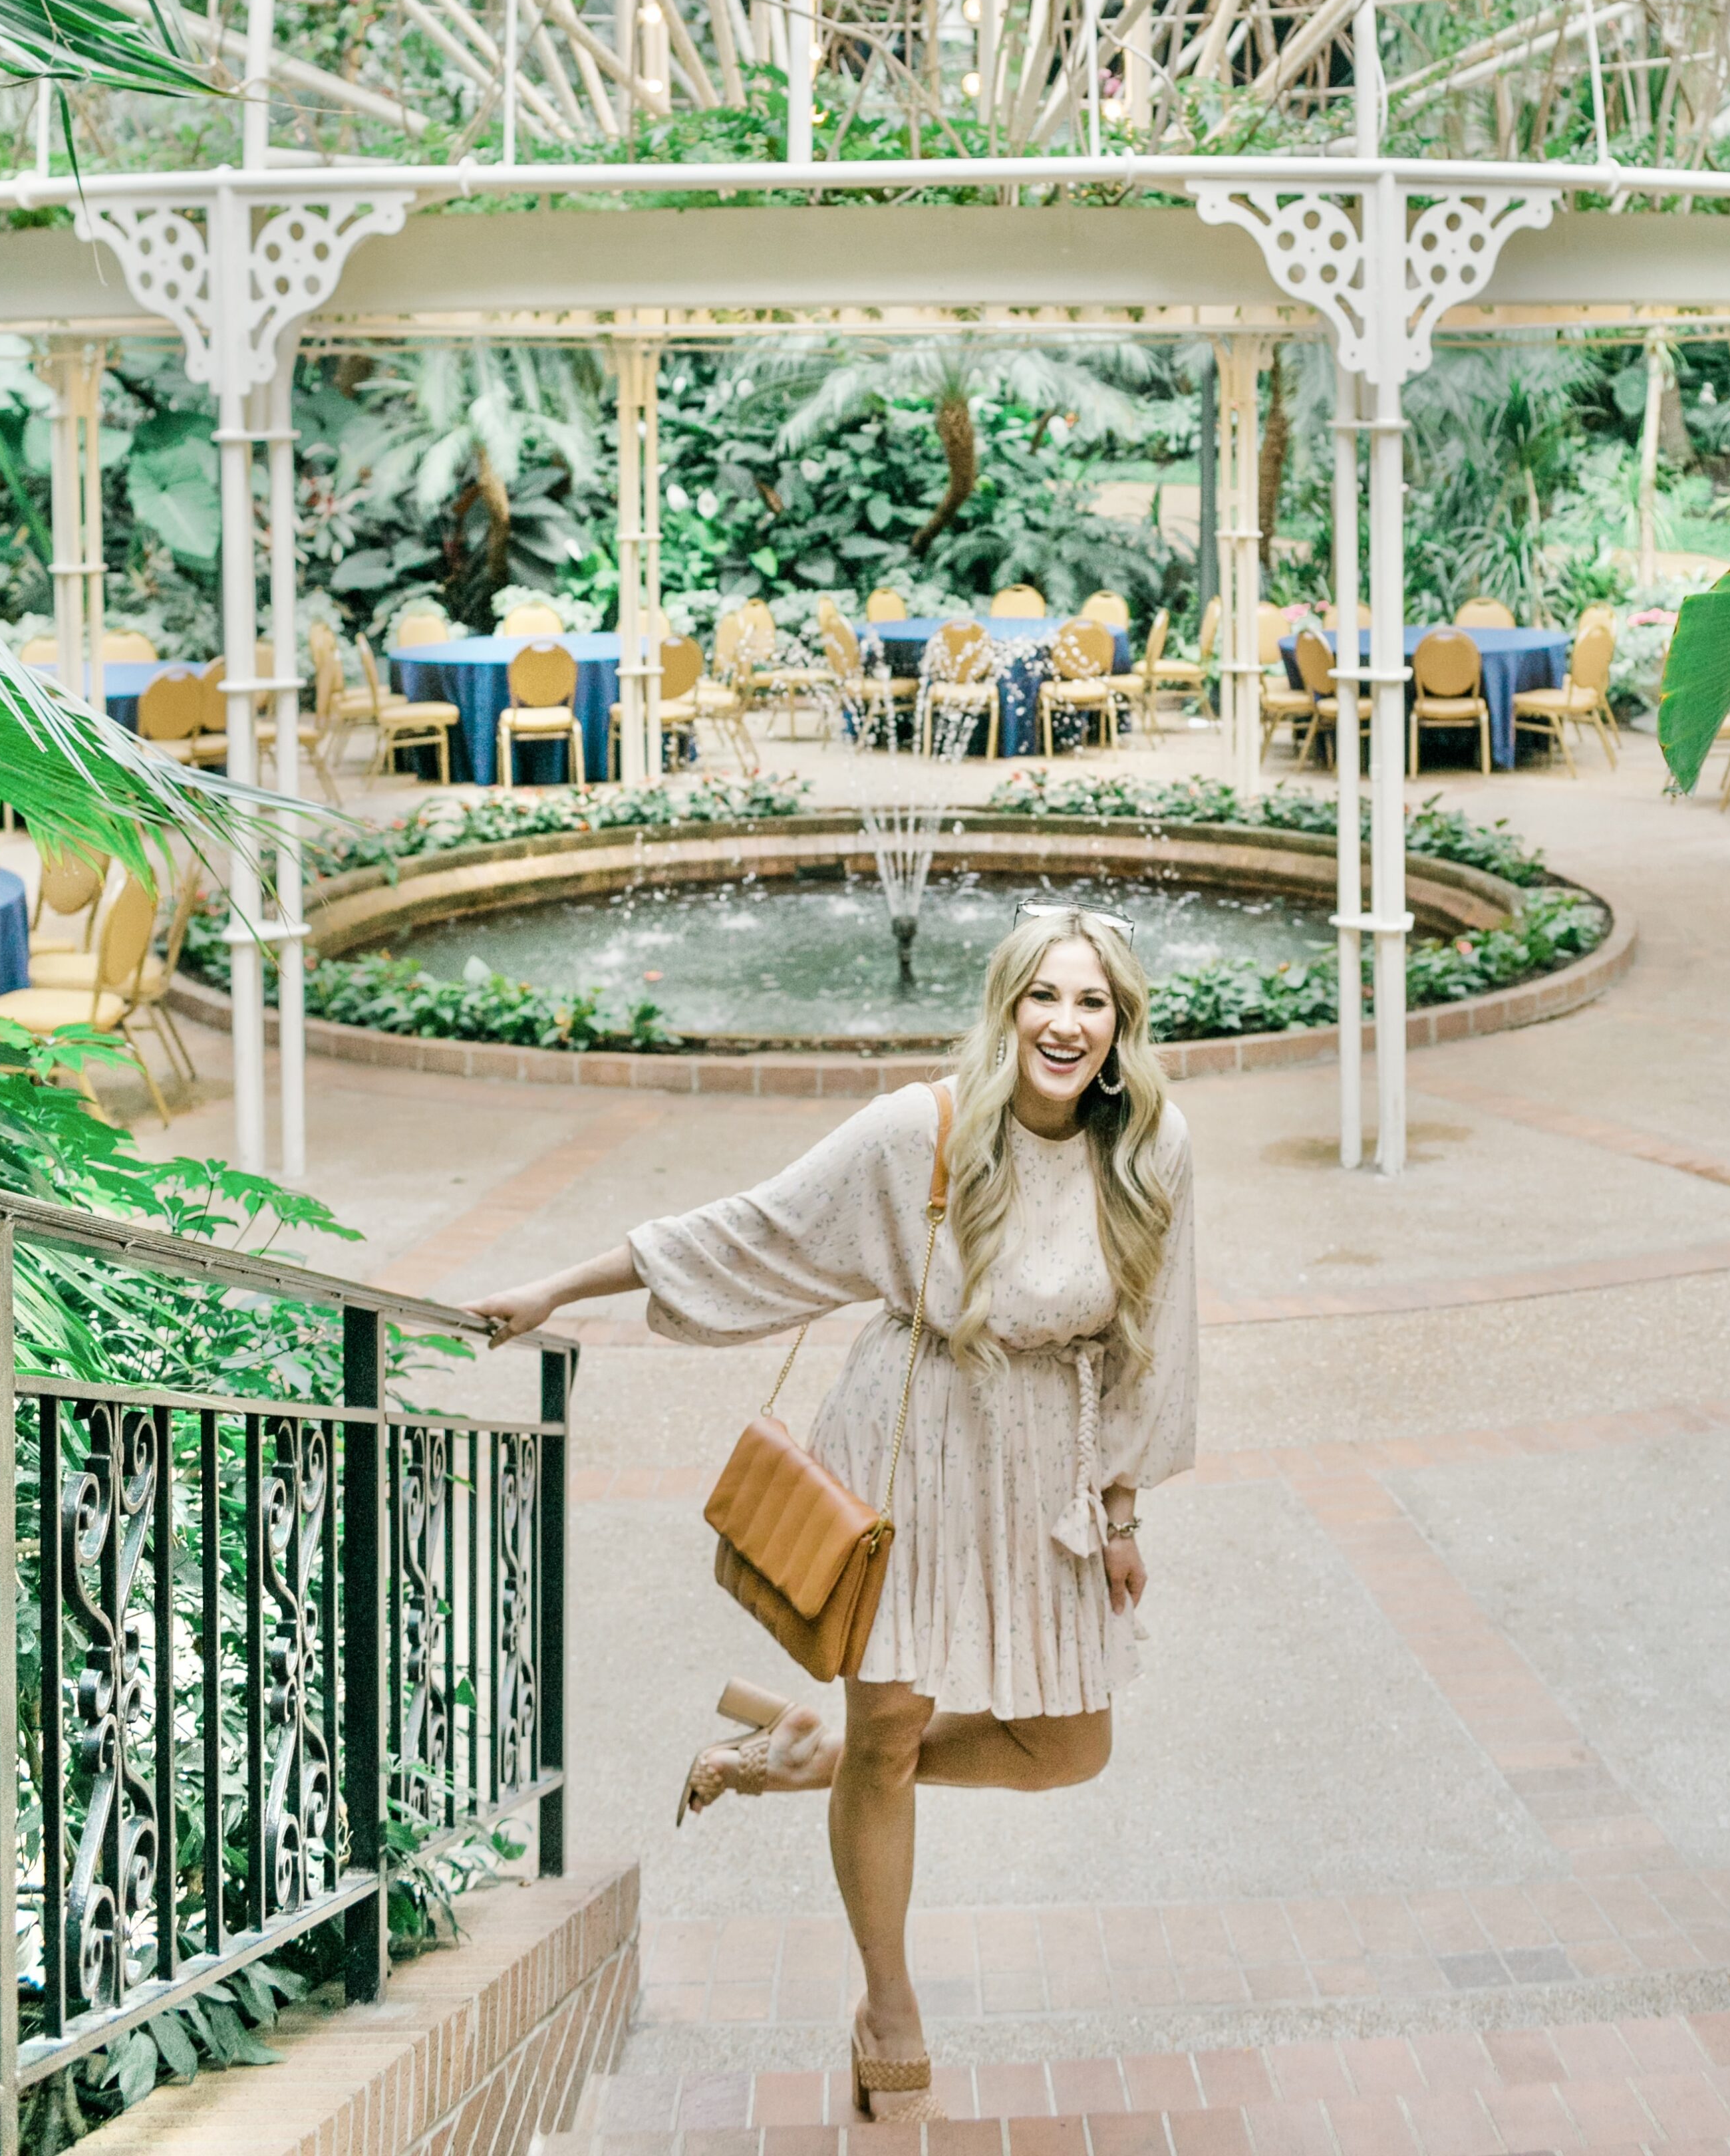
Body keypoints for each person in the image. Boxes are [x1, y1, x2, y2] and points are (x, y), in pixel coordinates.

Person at [472, 904, 1197, 2125]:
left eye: (1093, 1004)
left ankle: (804, 1762)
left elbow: (1150, 1343)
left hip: (1044, 1468)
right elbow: (748, 1229)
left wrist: (1121, 1512)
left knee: (1072, 1744)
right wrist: (558, 1285)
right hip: (910, 1456)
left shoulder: (1151, 1150)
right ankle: (887, 1997)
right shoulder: (921, 1129)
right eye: (1043, 997)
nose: (1065, 1025)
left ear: (1122, 1028)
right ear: (1005, 1006)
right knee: (894, 1724)